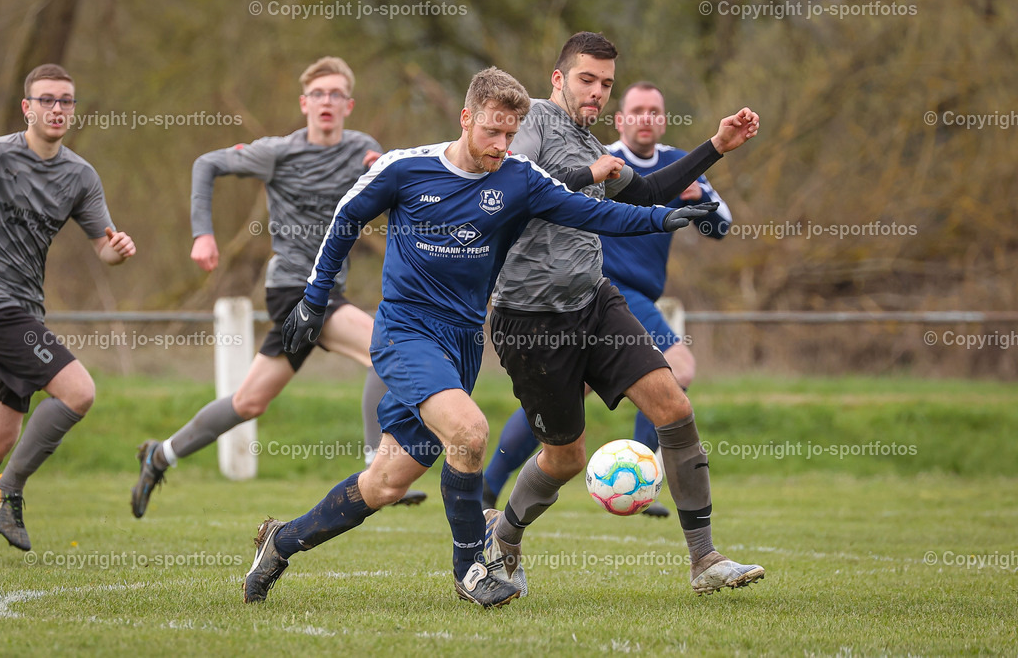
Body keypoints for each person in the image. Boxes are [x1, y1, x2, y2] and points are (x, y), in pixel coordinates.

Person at [242, 66, 716, 608]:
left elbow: (593, 210)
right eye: (492, 131)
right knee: (469, 431)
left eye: (511, 134)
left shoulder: (519, 178)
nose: (501, 145)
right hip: (406, 333)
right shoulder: (406, 168)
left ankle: (279, 543)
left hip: (463, 342)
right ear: (466, 118)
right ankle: (471, 569)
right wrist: (313, 298)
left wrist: (661, 219)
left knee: (387, 482)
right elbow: (345, 220)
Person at [484, 32, 764, 596]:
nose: (597, 93)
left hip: (594, 299)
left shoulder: (594, 143)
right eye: (587, 79)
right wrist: (595, 174)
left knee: (674, 407)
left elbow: (648, 190)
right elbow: (511, 189)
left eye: (606, 84)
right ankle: (504, 543)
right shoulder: (532, 122)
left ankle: (705, 559)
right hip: (529, 318)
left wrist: (715, 146)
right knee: (564, 458)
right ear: (558, 79)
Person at [129, 57, 427, 517]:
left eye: (335, 94)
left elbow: (389, 197)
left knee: (249, 401)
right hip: (295, 288)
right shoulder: (277, 152)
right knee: (386, 352)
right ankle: (378, 469)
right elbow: (206, 164)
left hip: (330, 290)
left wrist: (382, 170)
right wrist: (202, 233)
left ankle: (160, 454)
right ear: (304, 103)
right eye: (318, 94)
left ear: (348, 105)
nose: (326, 102)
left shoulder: (363, 148)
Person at [482, 80, 732, 519]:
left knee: (599, 403)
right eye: (637, 109)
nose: (646, 117)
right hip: (576, 297)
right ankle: (636, 473)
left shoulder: (665, 161)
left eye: (655, 109)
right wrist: (592, 176)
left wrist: (711, 162)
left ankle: (491, 484)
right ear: (622, 120)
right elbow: (524, 190)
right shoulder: (581, 145)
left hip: (609, 297)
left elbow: (708, 219)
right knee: (675, 368)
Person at [0, 64, 137, 551]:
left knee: (0, 437)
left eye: (66, 101)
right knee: (78, 391)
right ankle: (7, 490)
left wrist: (114, 253)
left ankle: (2, 479)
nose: (57, 108)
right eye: (47, 99)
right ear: (26, 107)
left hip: (26, 308)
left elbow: (103, 246)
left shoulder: (80, 175)